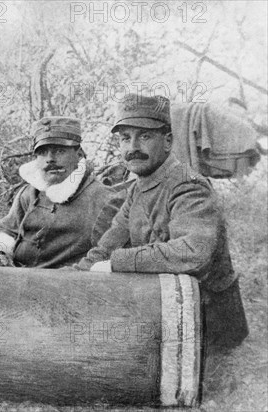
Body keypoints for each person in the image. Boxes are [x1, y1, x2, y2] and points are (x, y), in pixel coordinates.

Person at [78, 94, 248, 348]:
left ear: (168, 141)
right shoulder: (138, 188)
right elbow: (107, 246)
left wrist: (116, 263)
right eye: (125, 138)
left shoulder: (189, 186)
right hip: (168, 306)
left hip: (208, 321)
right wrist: (68, 279)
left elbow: (193, 253)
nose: (132, 147)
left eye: (144, 136)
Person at [0, 117, 120, 267]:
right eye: (43, 152)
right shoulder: (29, 193)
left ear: (78, 154)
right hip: (17, 279)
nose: (50, 159)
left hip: (67, 284)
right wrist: (1, 252)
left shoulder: (103, 198)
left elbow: (110, 250)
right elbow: (5, 228)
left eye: (59, 151)